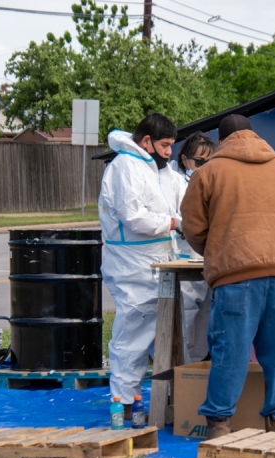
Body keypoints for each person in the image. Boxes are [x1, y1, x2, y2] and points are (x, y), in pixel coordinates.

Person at [181, 114, 275, 438]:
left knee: (231, 352)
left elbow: (193, 227)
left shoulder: (208, 173)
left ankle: (219, 425)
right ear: (256, 136)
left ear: (220, 142)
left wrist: (218, 248)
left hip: (235, 275)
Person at [99, 113, 180, 415]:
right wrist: (174, 223)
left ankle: (160, 400)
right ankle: (123, 403)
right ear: (147, 141)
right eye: (165, 145)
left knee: (161, 336)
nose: (169, 152)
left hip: (156, 262)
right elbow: (133, 217)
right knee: (132, 337)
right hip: (132, 266)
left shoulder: (156, 168)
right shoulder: (126, 166)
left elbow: (178, 201)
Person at [171, 132, 217, 363]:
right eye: (199, 162)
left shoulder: (212, 182)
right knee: (187, 312)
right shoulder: (175, 183)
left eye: (209, 162)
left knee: (205, 314)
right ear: (184, 159)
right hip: (185, 256)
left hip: (207, 258)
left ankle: (197, 365)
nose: (203, 168)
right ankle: (184, 366)